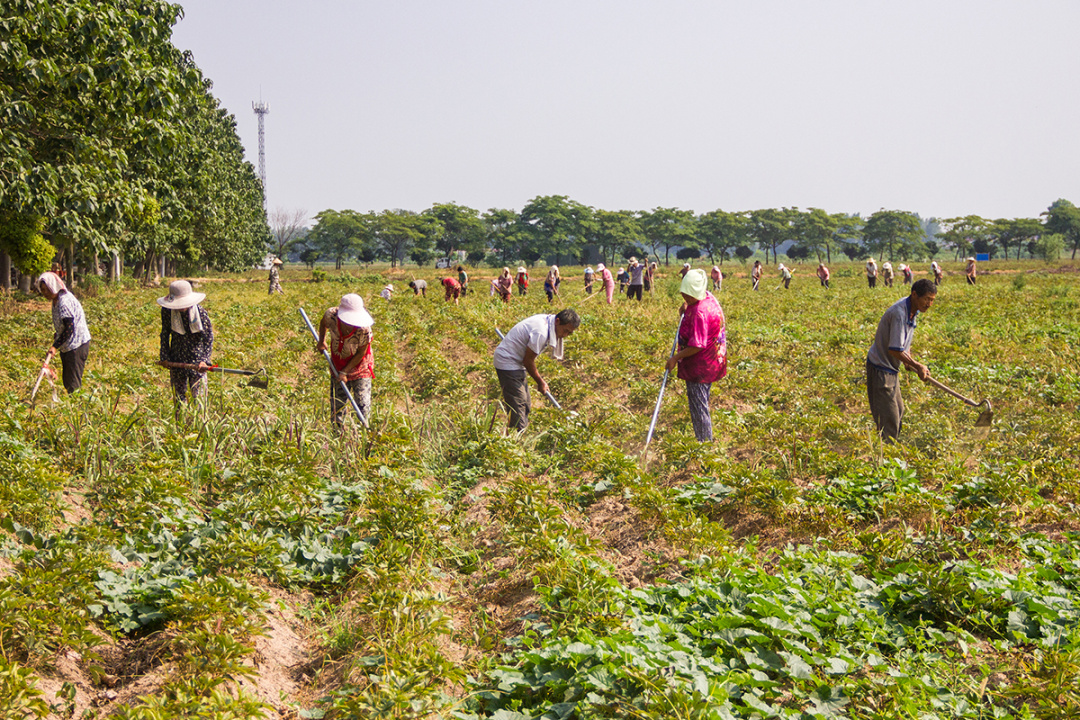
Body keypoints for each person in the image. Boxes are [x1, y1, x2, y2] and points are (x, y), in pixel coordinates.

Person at [866, 279, 936, 442]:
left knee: (899, 411)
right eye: (927, 299)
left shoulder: (912, 310)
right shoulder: (899, 313)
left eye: (932, 300)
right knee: (889, 418)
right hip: (881, 369)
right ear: (914, 295)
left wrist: (907, 361)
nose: (929, 304)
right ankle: (886, 453)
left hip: (891, 368)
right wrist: (916, 364)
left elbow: (903, 344)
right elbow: (895, 349)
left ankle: (892, 448)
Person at [493, 308, 580, 431]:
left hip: (517, 361)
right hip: (507, 361)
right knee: (518, 406)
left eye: (569, 333)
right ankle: (516, 437)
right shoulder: (541, 332)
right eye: (565, 331)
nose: (565, 335)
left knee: (525, 404)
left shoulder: (549, 321)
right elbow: (528, 361)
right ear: (557, 321)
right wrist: (540, 381)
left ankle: (519, 432)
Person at [666, 269, 727, 442]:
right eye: (683, 293)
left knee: (699, 407)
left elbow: (697, 345)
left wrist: (675, 358)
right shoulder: (708, 297)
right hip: (712, 360)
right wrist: (686, 309)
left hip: (700, 366)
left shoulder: (700, 312)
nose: (684, 297)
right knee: (702, 400)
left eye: (687, 295)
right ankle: (704, 441)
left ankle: (704, 444)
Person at [317, 294, 374, 431]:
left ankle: (363, 434)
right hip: (338, 363)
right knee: (338, 404)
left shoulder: (364, 329)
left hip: (360, 367)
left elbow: (361, 353)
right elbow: (323, 324)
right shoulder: (331, 316)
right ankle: (338, 434)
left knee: (362, 405)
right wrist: (321, 341)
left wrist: (345, 372)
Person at [157, 280, 213, 408]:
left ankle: (199, 421)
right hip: (176, 358)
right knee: (179, 400)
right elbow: (165, 334)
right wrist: (165, 357)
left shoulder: (200, 313)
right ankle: (180, 420)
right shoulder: (167, 312)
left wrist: (205, 360)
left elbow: (208, 338)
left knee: (199, 400)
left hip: (197, 359)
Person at [37, 271, 91, 394]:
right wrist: (58, 336)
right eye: (43, 290)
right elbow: (64, 325)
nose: (45, 293)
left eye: (47, 289)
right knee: (68, 380)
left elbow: (69, 328)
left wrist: (55, 346)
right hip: (68, 345)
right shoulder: (56, 300)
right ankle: (73, 403)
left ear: (53, 286)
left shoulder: (64, 302)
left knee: (73, 384)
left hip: (77, 345)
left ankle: (78, 405)